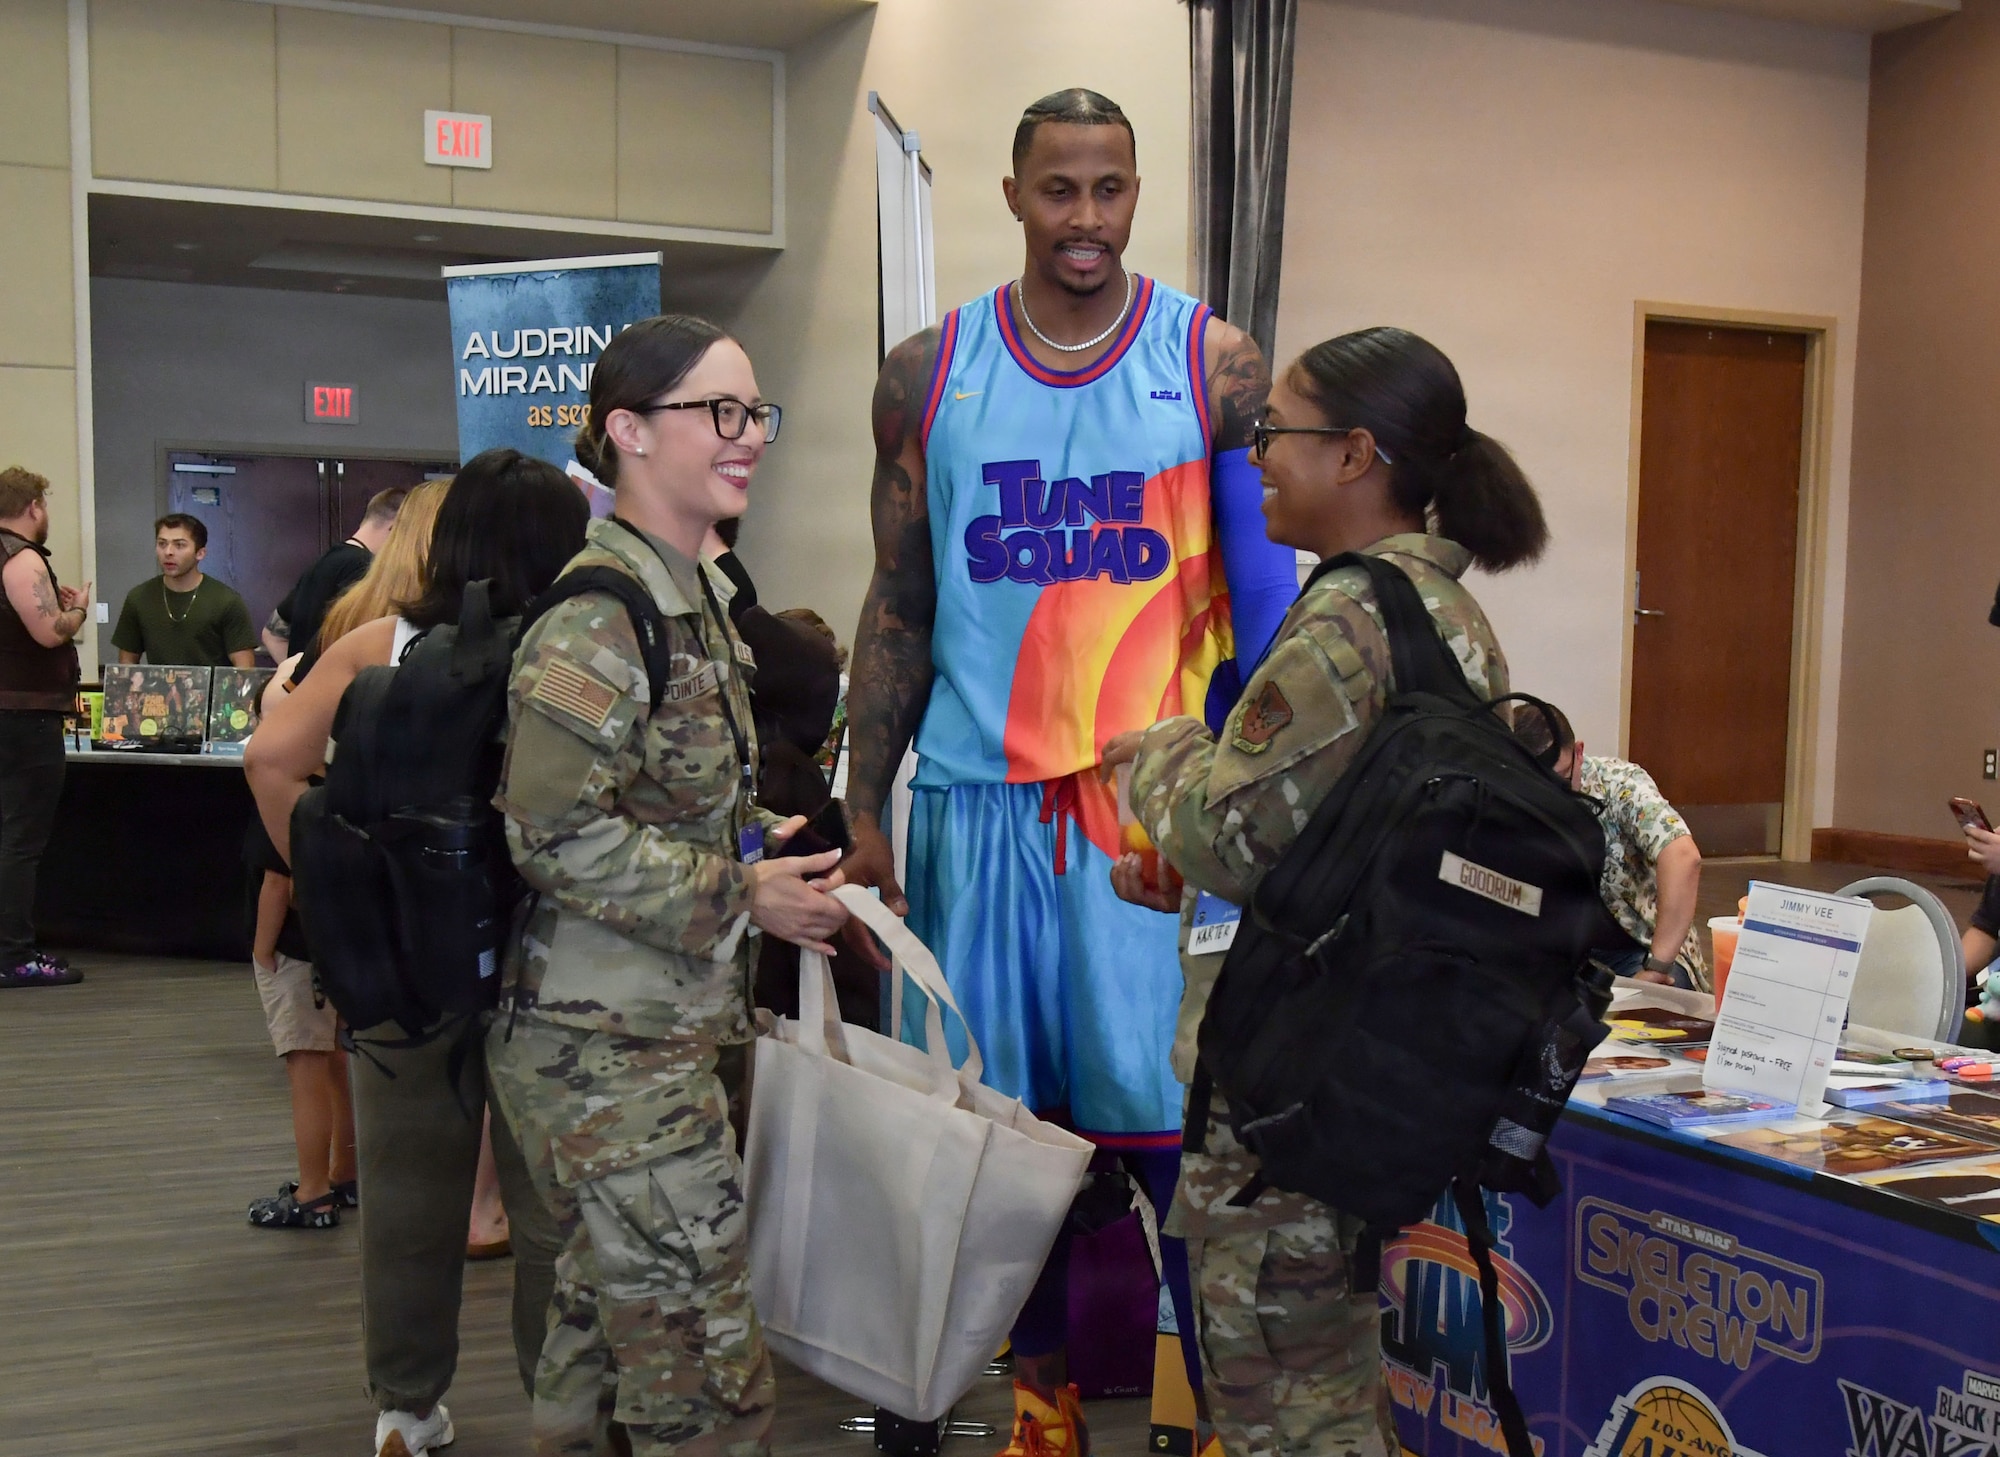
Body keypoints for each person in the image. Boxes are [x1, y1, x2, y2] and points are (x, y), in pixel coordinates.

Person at [839, 87, 1276, 1455]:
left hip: (1151, 814)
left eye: (1112, 189)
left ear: (1137, 194)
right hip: (979, 804)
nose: (1087, 218)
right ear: (1017, 195)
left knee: (1168, 1130)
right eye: (1061, 190)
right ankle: (1040, 1405)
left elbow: (1266, 618)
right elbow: (898, 603)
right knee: (998, 1141)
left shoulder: (1217, 365)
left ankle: (1192, 1410)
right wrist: (864, 810)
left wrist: (1265, 815)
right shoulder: (931, 371)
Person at [1102, 325, 1549, 1457]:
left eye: (1275, 434)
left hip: (1283, 1089)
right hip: (1361, 1068)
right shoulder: (1448, 619)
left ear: (1353, 454)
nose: (1256, 455)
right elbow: (1345, 849)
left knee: (1283, 1406)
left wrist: (1146, 752)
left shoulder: (1347, 621)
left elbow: (1227, 829)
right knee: (1323, 1381)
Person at [486, 314, 849, 1457]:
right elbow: (547, 835)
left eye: (756, 414)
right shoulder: (603, 614)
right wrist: (745, 896)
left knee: (598, 1338)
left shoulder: (692, 600)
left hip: (659, 1035)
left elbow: (663, 799)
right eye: (719, 414)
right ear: (629, 432)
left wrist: (756, 839)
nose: (748, 439)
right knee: (703, 1376)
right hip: (605, 1056)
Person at [245, 452, 580, 1457]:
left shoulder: (377, 643)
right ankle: (559, 1407)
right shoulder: (569, 655)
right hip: (545, 965)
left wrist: (329, 871)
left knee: (402, 1194)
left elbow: (269, 756)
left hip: (402, 959)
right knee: (547, 1208)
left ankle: (404, 1407)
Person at [242, 729, 357, 1230]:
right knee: (336, 1063)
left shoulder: (288, 797)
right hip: (344, 947)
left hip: (298, 952)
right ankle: (345, 1172)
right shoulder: (354, 787)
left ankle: (313, 1193)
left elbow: (278, 881)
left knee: (306, 1066)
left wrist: (262, 950)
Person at [1517, 705, 1708, 990]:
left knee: (1658, 1003)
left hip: (1635, 949)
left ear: (1579, 753)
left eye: (1560, 779)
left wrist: (1657, 966)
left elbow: (1683, 857)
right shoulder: (1502, 795)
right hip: (1554, 951)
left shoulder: (1621, 784)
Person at [0, 466, 87, 989]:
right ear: (34, 507)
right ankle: (13, 955)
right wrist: (75, 611)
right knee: (19, 842)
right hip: (24, 718)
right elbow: (50, 633)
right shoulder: (23, 557)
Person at [262, 486, 410, 662]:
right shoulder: (365, 569)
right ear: (394, 529)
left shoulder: (323, 563)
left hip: (308, 688)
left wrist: (297, 678)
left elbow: (272, 634)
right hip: (339, 687)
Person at [112, 513, 256, 667]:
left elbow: (244, 670)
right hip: (158, 690)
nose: (168, 552)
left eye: (179, 545)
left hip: (213, 689)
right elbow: (126, 664)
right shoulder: (139, 598)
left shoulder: (226, 600)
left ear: (200, 553)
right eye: (162, 544)